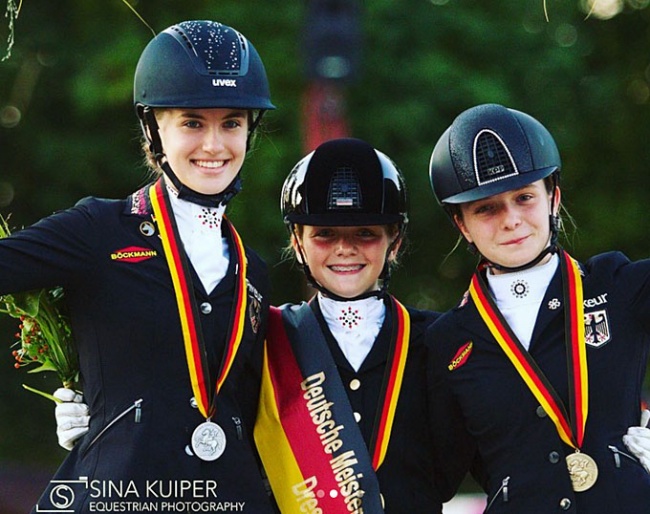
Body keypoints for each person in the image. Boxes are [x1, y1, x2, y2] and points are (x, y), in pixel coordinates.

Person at [2, 20, 277, 512]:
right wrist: (100, 411)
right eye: (193, 122)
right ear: (155, 127)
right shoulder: (99, 231)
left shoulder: (253, 269)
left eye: (231, 122)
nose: (214, 145)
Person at [426, 103, 650, 513]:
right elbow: (427, 474)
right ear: (462, 224)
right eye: (486, 208)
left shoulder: (618, 286)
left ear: (553, 198)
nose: (511, 220)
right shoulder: (446, 342)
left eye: (524, 198)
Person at [253, 137, 453, 513]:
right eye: (325, 234)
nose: (345, 248)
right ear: (297, 243)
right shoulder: (268, 342)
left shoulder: (439, 340)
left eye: (365, 233)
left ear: (394, 241)